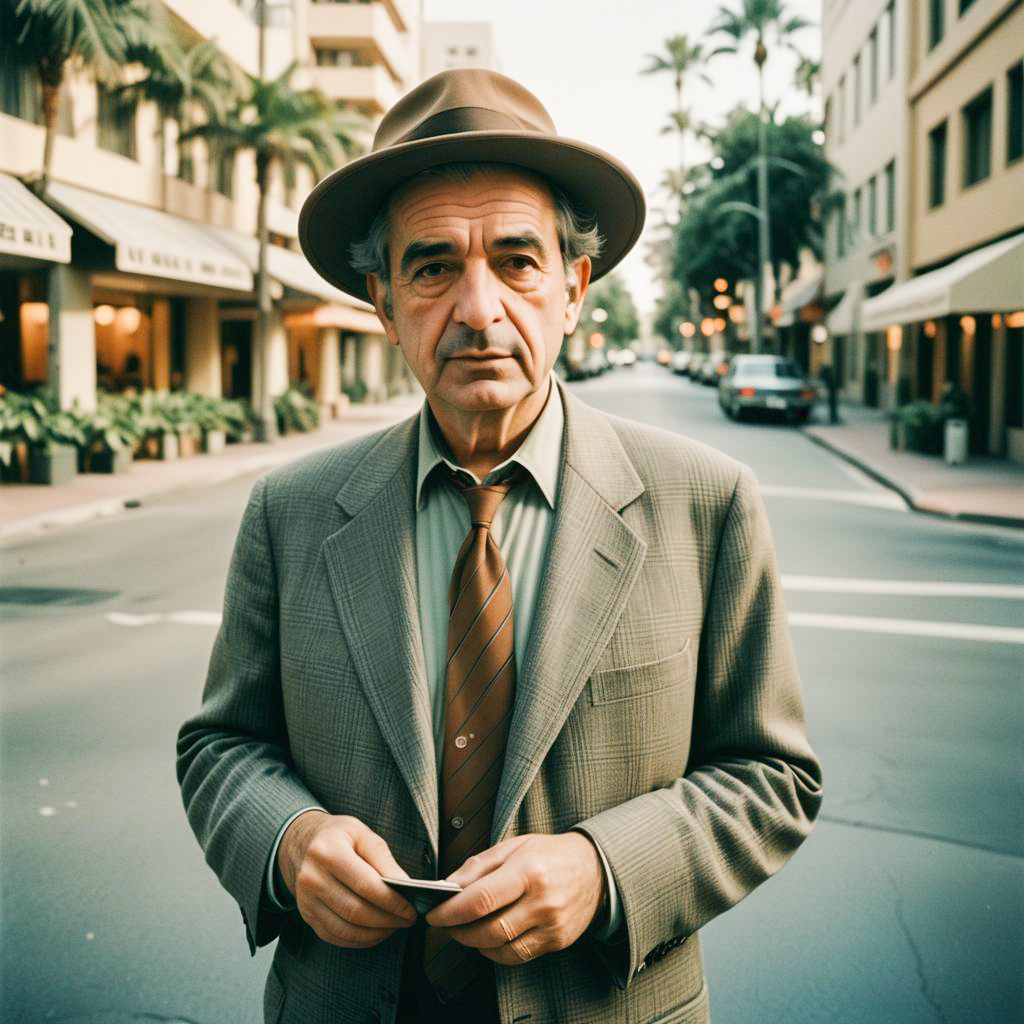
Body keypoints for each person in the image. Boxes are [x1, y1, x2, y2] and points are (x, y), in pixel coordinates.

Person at [177, 69, 822, 1024]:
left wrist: (606, 871)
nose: (479, 309)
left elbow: (772, 777)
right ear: (385, 301)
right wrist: (286, 840)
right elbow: (222, 746)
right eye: (433, 265)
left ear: (573, 287)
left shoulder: (708, 503)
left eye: (517, 260)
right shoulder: (290, 511)